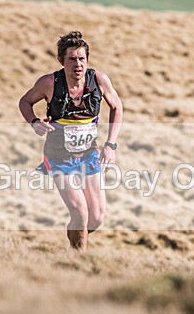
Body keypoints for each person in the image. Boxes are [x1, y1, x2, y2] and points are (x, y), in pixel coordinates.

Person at [19, 31, 123, 250]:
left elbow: (117, 106)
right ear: (61, 61)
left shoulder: (99, 80)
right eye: (72, 59)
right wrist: (34, 122)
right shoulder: (49, 83)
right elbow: (25, 102)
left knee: (95, 218)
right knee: (80, 213)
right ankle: (80, 262)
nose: (78, 64)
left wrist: (110, 144)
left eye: (82, 58)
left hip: (89, 157)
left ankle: (75, 234)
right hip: (59, 159)